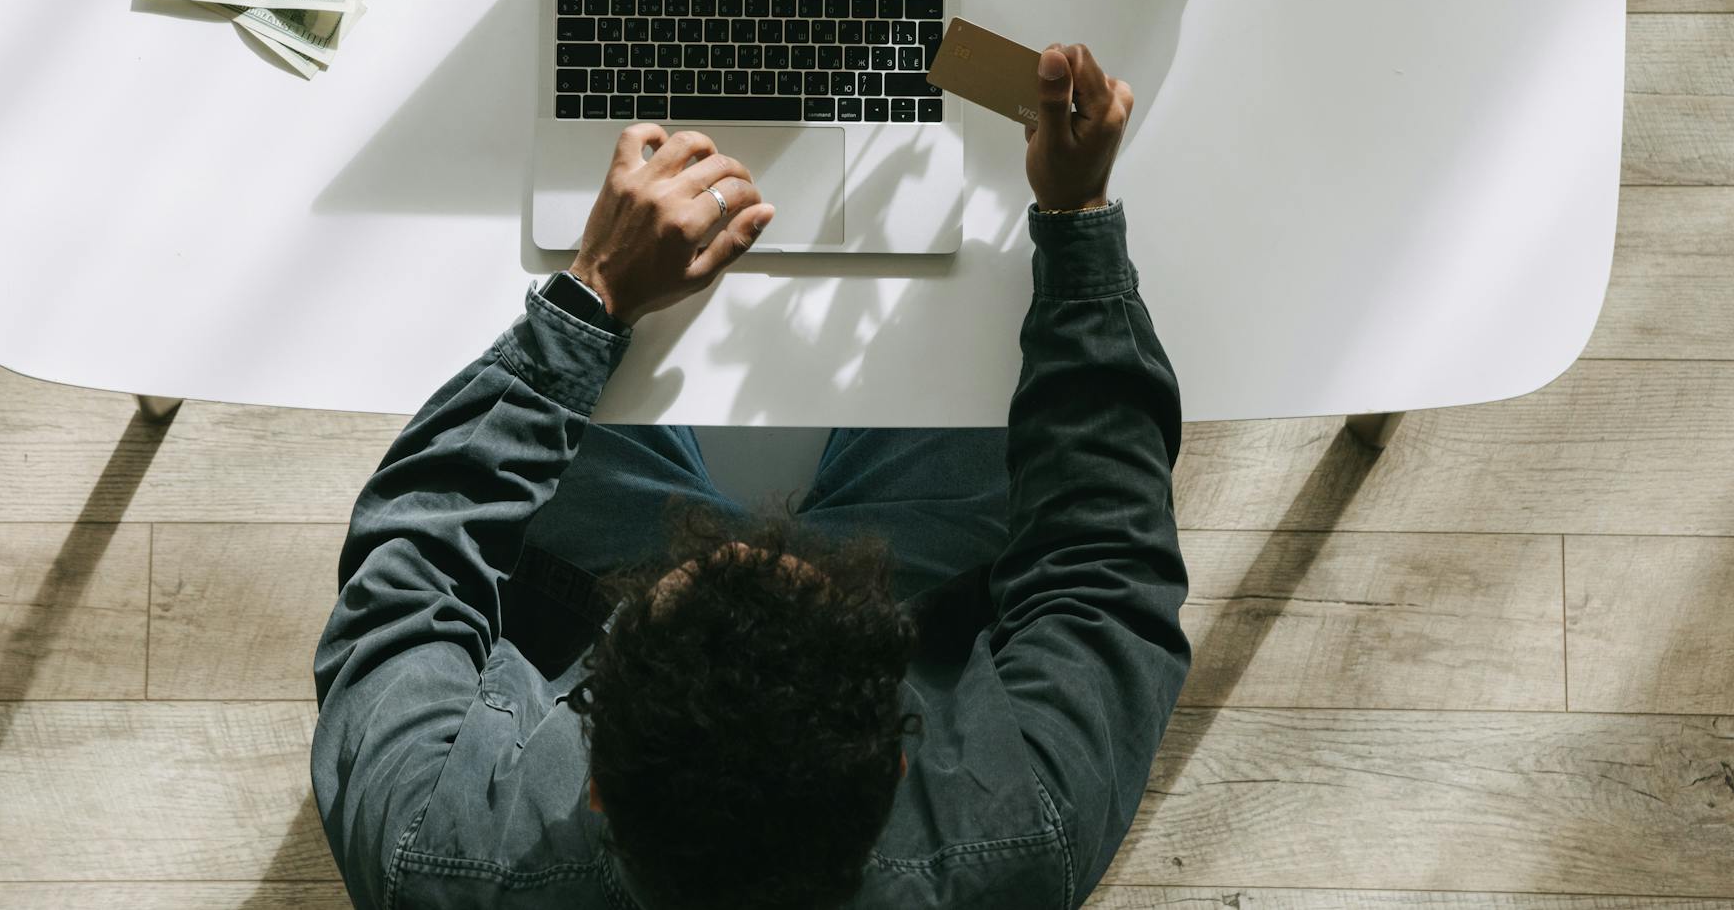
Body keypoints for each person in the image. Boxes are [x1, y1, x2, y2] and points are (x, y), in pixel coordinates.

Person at [311, 44, 1192, 909]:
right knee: (999, 406)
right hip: (888, 604)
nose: (748, 534)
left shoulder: (431, 854)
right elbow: (1105, 565)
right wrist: (1077, 223)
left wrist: (590, 300)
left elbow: (411, 560)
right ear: (896, 755)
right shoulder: (1020, 831)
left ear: (595, 785)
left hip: (628, 602)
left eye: (705, 570)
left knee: (527, 422)